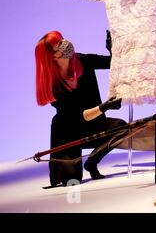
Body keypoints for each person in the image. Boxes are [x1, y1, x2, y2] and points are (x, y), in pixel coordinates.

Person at [35, 30, 127, 187]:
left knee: (121, 128)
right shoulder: (53, 85)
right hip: (68, 133)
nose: (66, 45)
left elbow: (113, 63)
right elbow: (80, 116)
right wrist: (104, 107)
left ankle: (91, 162)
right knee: (71, 181)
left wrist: (114, 48)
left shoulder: (83, 61)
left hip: (94, 124)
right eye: (60, 45)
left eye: (63, 40)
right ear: (52, 56)